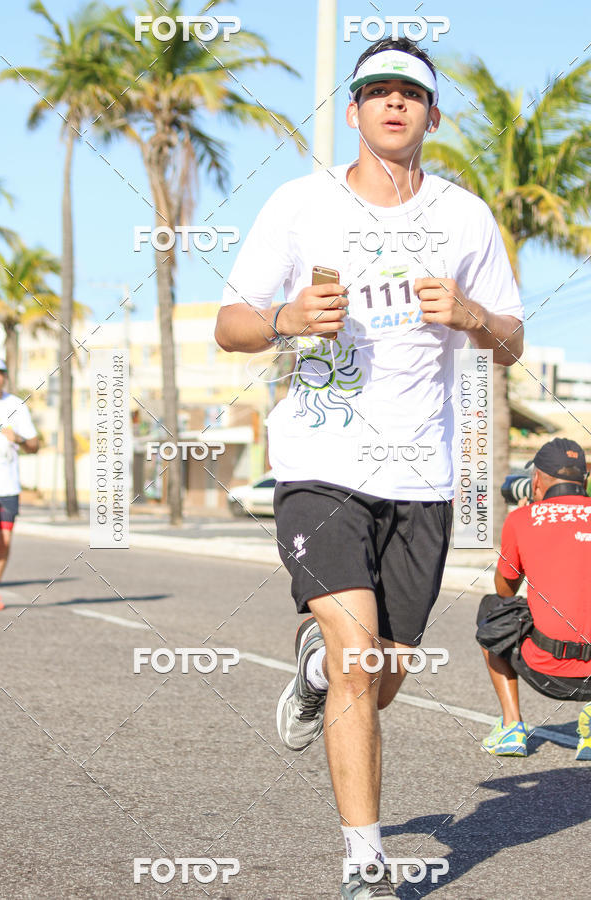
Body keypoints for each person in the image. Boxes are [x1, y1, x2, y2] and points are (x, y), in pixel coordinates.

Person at [216, 36, 524, 898]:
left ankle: (315, 672)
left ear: (432, 115)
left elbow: (512, 343)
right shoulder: (299, 206)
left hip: (420, 480)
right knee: (359, 660)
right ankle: (366, 864)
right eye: (377, 91)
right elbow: (228, 324)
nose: (394, 103)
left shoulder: (464, 218)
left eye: (411, 94)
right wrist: (283, 316)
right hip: (320, 463)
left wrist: (470, 314)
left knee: (378, 680)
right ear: (352, 110)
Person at [477, 437, 591, 761]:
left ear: (537, 479)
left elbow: (504, 591)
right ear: (583, 480)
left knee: (490, 609)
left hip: (546, 668)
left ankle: (512, 727)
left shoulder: (523, 520)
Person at [0, 357, 39, 611]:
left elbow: (35, 446)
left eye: (0, 373)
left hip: (7, 486)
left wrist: (18, 438)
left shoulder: (16, 405)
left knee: (4, 541)